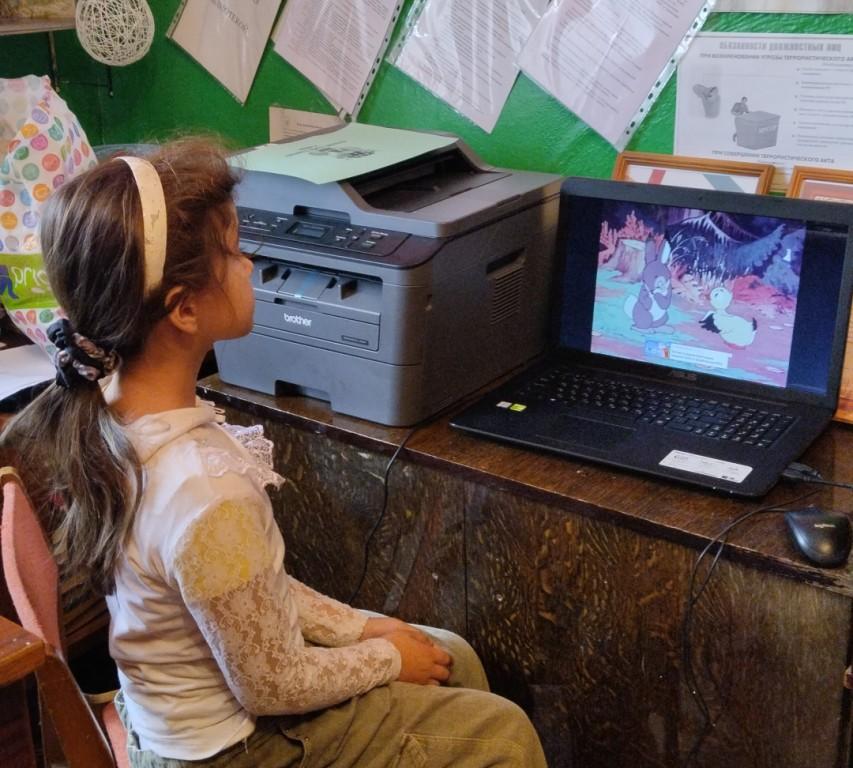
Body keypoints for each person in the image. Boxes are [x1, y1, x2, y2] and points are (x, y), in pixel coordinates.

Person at [1, 139, 548, 767]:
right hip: (231, 751)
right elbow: (272, 685)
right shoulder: (203, 490)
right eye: (234, 251)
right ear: (184, 309)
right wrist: (387, 657)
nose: (250, 262)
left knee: (450, 652)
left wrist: (362, 629)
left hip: (173, 716)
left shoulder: (107, 412)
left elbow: (242, 594)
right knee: (504, 733)